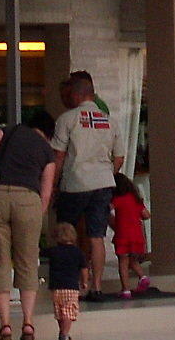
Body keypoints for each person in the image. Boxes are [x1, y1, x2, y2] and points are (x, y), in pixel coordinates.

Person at [0, 111, 58, 340]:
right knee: (27, 262)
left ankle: (5, 325)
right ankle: (27, 324)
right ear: (48, 133)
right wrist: (37, 214)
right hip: (28, 200)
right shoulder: (47, 150)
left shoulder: (6, 131)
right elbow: (46, 190)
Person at [50, 71, 122, 301]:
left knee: (66, 233)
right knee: (97, 236)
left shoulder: (67, 119)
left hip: (75, 183)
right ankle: (97, 287)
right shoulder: (110, 121)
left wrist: (52, 185)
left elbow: (58, 156)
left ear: (76, 94)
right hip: (103, 183)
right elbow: (119, 157)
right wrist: (106, 173)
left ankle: (71, 285)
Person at [110, 173, 151, 299]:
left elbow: (107, 209)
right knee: (132, 260)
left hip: (123, 235)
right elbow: (146, 215)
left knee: (123, 262)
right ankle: (143, 277)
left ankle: (126, 289)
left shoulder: (117, 199)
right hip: (136, 235)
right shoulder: (135, 199)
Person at [46, 222, 85, 340]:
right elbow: (84, 268)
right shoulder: (78, 252)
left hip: (56, 287)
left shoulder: (53, 251)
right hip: (71, 287)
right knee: (68, 311)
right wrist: (84, 281)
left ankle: (62, 330)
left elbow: (41, 253)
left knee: (59, 312)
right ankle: (65, 334)